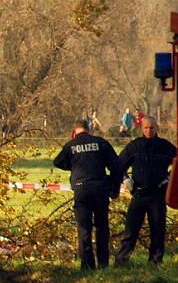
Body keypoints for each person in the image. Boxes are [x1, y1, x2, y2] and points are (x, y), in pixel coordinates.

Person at [53, 120, 122, 270]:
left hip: (81, 190)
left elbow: (57, 161)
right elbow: (116, 167)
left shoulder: (71, 145)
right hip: (100, 189)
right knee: (102, 227)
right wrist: (114, 188)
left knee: (84, 228)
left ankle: (87, 266)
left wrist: (73, 166)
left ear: (75, 131)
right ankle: (103, 264)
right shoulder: (101, 143)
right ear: (89, 129)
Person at [114, 116, 176, 266]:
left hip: (158, 195)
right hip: (139, 194)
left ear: (157, 128)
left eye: (152, 128)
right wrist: (125, 179)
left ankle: (155, 262)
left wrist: (169, 179)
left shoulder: (165, 147)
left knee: (158, 230)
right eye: (146, 128)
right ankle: (121, 261)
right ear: (141, 129)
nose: (149, 131)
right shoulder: (134, 147)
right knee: (130, 230)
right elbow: (118, 165)